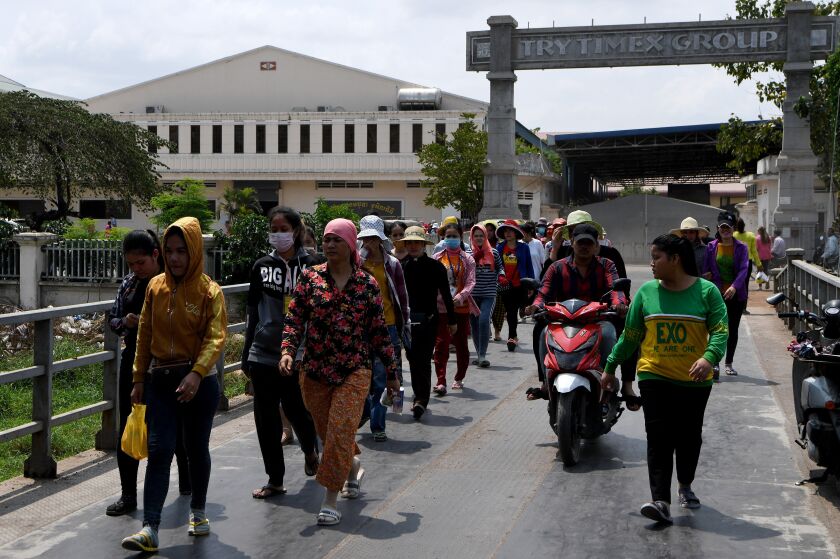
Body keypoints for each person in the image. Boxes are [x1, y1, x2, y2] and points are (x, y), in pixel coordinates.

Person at [280, 218, 398, 527]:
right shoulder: (310, 279)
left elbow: (379, 334)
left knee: (341, 429)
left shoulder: (367, 284)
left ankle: (330, 499)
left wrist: (393, 374)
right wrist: (287, 351)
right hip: (315, 372)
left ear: (350, 244)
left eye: (337, 239)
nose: (330, 245)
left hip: (354, 371)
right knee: (330, 433)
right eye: (326, 239)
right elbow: (294, 319)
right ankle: (352, 464)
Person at [603, 234, 728, 524]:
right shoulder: (646, 292)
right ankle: (660, 500)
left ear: (675, 259)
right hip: (654, 375)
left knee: (688, 437)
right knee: (658, 438)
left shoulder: (707, 292)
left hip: (694, 381)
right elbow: (631, 336)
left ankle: (685, 484)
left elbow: (721, 330)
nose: (651, 263)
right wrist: (610, 368)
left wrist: (709, 357)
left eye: (657, 257)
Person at [121, 217, 227, 553]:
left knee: (196, 449)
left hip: (200, 382)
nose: (176, 258)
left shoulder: (210, 292)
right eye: (170, 251)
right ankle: (150, 527)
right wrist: (139, 377)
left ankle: (198, 510)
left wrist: (196, 373)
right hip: (161, 381)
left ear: (194, 251)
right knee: (160, 450)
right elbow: (144, 336)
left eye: (182, 250)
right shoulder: (155, 287)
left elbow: (216, 338)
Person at [106, 230, 190, 517]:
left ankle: (188, 483)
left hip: (170, 364)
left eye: (140, 262)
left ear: (156, 255)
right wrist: (125, 322)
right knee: (129, 427)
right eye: (131, 264)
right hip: (136, 363)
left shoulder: (173, 283)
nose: (136, 269)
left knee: (173, 428)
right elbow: (112, 319)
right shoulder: (129, 285)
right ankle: (128, 494)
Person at [241, 206, 321, 499]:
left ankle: (310, 449)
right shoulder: (261, 266)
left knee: (298, 410)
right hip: (263, 353)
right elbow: (252, 311)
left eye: (283, 229)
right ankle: (275, 479)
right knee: (265, 419)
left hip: (300, 354)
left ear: (297, 231)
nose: (278, 234)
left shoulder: (313, 265)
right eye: (273, 229)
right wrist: (247, 351)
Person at [524, 224, 629, 401]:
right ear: (572, 243)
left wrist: (619, 304)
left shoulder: (606, 265)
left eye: (589, 243)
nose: (584, 247)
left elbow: (615, 290)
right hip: (563, 320)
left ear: (596, 245)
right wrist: (535, 306)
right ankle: (544, 382)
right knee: (541, 332)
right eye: (580, 243)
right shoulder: (557, 267)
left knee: (612, 334)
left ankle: (605, 378)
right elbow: (543, 291)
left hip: (598, 320)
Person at [358, 215, 410, 442]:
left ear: (380, 239)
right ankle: (366, 412)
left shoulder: (393, 264)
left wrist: (404, 325)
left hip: (388, 326)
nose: (368, 242)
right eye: (365, 238)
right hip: (360, 328)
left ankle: (378, 423)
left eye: (372, 238)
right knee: (362, 376)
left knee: (386, 375)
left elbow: (401, 297)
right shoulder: (356, 264)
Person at [397, 226, 456, 419]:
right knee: (412, 360)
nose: (413, 246)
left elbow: (446, 295)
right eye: (409, 242)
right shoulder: (399, 266)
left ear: (424, 244)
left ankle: (422, 399)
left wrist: (452, 320)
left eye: (417, 242)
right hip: (406, 322)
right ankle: (415, 396)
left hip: (429, 320)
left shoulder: (436, 266)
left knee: (423, 359)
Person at [433, 222, 478, 393]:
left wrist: (460, 296)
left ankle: (459, 377)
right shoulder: (437, 258)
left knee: (461, 345)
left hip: (461, 307)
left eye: (455, 236)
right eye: (448, 236)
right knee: (441, 344)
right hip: (441, 308)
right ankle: (441, 380)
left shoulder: (468, 259)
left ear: (461, 238)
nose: (451, 239)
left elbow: (471, 282)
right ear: (443, 238)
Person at [703, 212, 748, 378]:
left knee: (732, 329)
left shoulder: (742, 248)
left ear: (733, 228)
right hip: (717, 294)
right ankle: (714, 363)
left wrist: (735, 287)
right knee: (716, 328)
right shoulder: (711, 247)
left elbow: (744, 270)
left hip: (736, 295)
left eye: (728, 227)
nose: (725, 230)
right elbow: (706, 269)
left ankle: (729, 363)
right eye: (722, 227)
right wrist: (708, 279)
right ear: (718, 228)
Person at [496, 219, 535, 352]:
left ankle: (514, 335)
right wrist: (499, 277)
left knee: (519, 308)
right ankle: (511, 337)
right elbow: (496, 267)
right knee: (511, 311)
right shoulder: (499, 248)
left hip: (521, 284)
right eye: (505, 231)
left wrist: (531, 285)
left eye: (510, 231)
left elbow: (529, 266)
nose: (508, 233)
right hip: (506, 285)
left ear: (516, 233)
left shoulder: (524, 247)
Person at [469, 224, 504, 368]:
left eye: (481, 235)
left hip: (489, 293)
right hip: (471, 295)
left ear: (486, 237)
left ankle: (483, 354)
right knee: (474, 325)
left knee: (483, 321)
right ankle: (479, 355)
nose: (478, 238)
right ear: (472, 237)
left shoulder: (494, 252)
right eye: (476, 235)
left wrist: (501, 276)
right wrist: (472, 259)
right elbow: (463, 271)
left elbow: (500, 267)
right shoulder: (468, 253)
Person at [733, 218, 761, 314]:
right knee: (745, 285)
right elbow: (754, 251)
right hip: (747, 263)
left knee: (735, 284)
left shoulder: (733, 235)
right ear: (744, 225)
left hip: (735, 262)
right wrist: (759, 264)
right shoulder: (751, 235)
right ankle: (743, 308)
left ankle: (735, 306)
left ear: (736, 226)